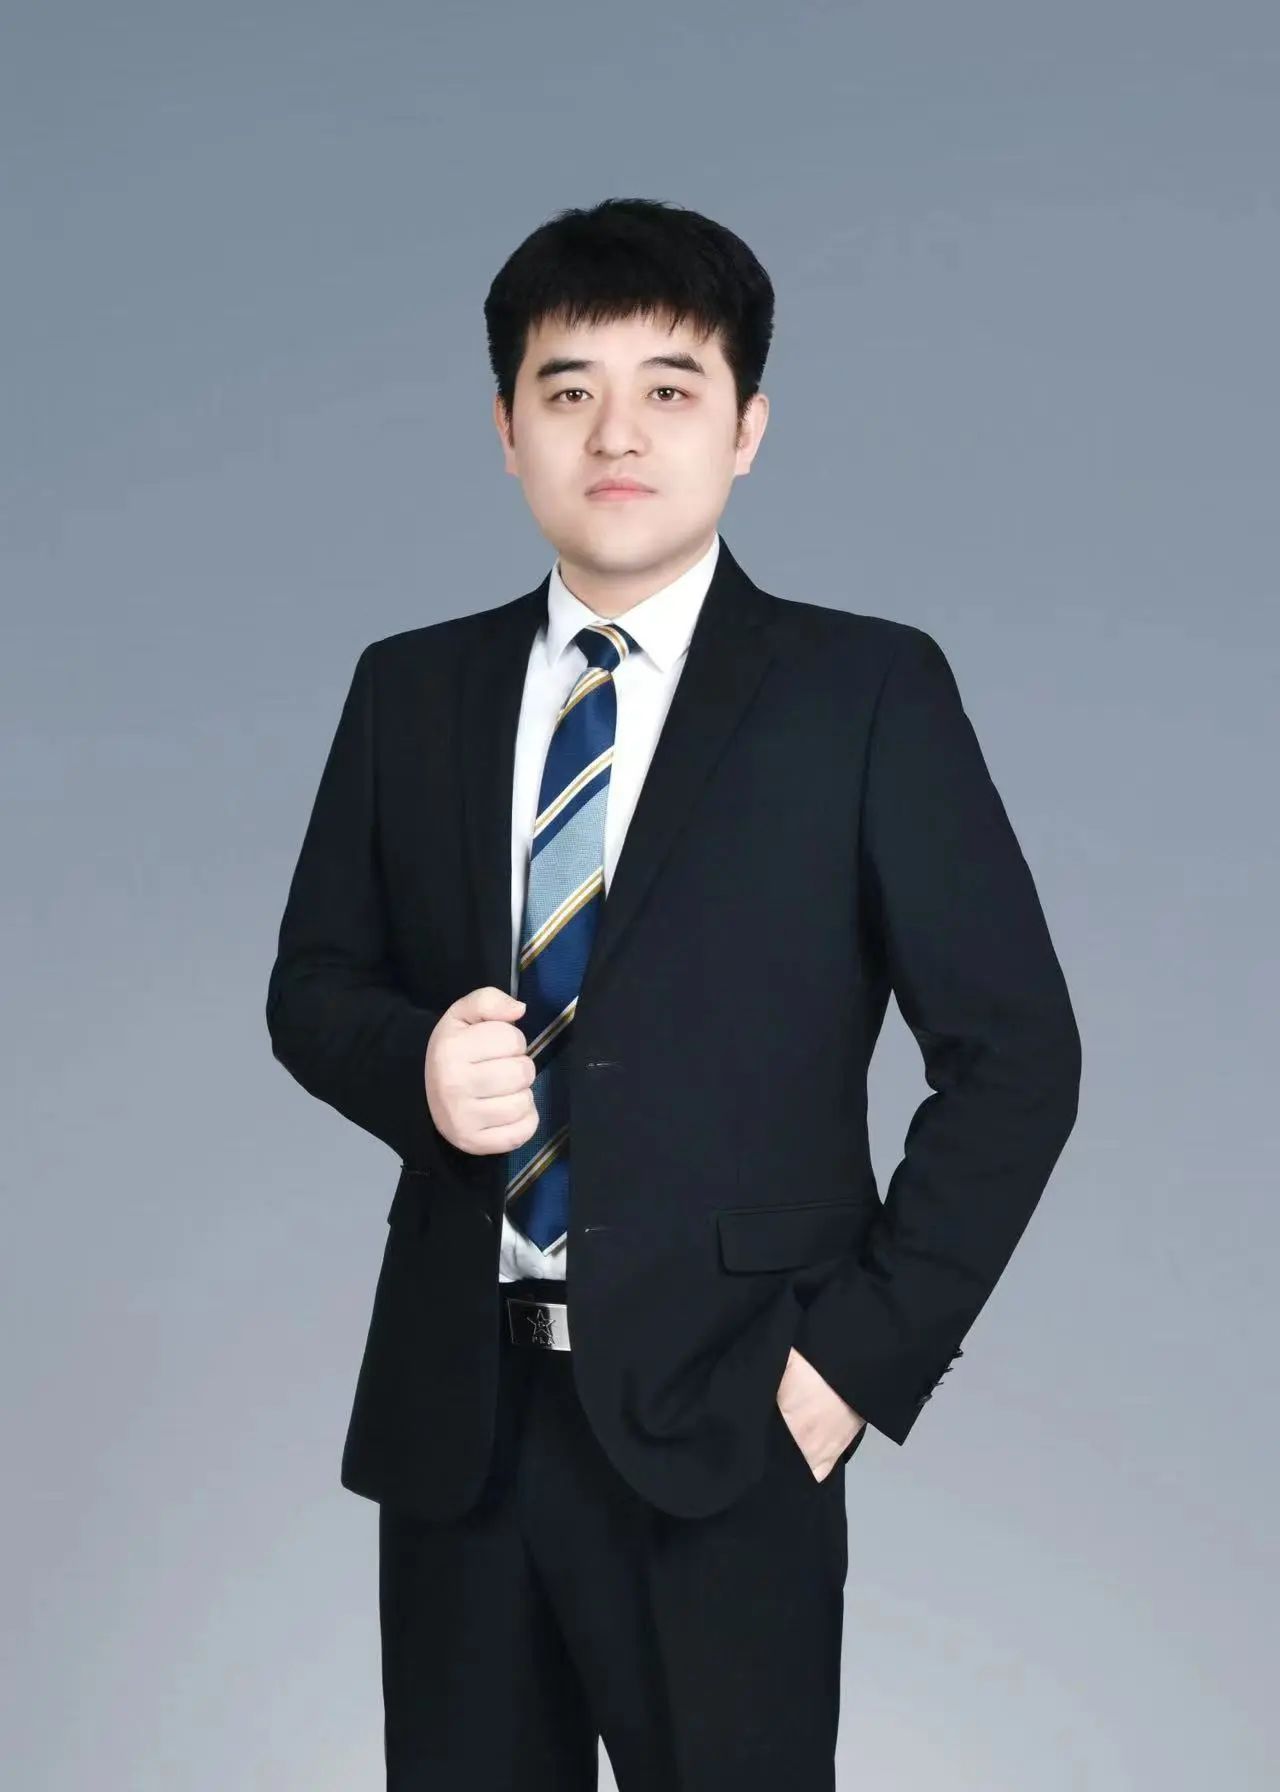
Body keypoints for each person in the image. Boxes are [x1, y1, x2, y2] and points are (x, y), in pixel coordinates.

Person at [265, 196, 1082, 1791]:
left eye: (670, 387)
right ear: (506, 428)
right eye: (568, 389)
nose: (617, 433)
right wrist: (414, 1064)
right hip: (459, 1419)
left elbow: (1018, 1058)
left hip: (735, 1419)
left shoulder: (863, 692)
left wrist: (850, 1370)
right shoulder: (410, 689)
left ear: (747, 428)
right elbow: (313, 986)